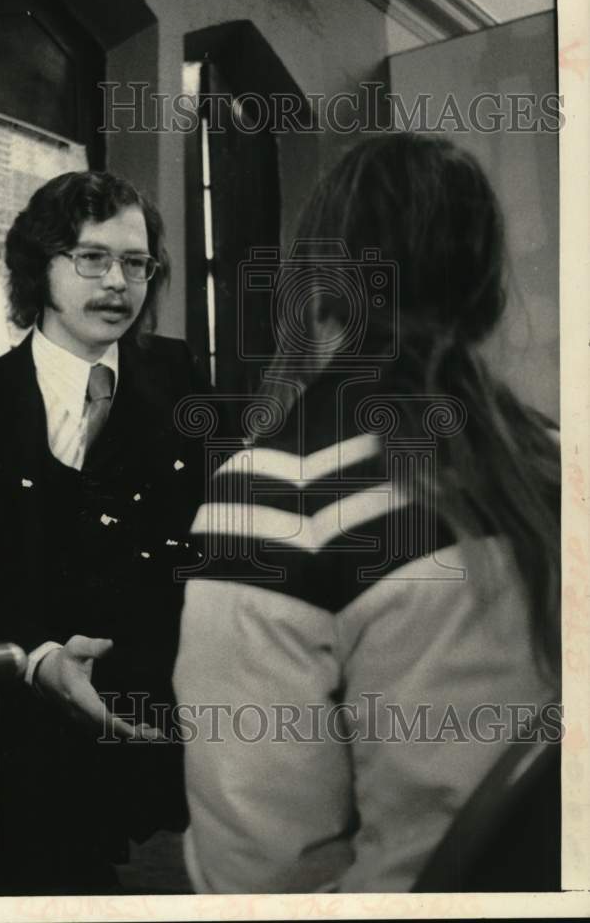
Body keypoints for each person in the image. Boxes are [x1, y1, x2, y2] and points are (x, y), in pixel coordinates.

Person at [173, 133, 561, 893]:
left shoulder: (275, 495)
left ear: (318, 284)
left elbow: (258, 872)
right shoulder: (557, 458)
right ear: (485, 290)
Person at [0, 171, 206, 893]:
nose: (117, 281)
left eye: (136, 262)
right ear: (39, 266)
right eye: (92, 258)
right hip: (13, 756)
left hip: (168, 759)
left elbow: (216, 553)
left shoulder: (183, 388)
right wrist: (37, 658)